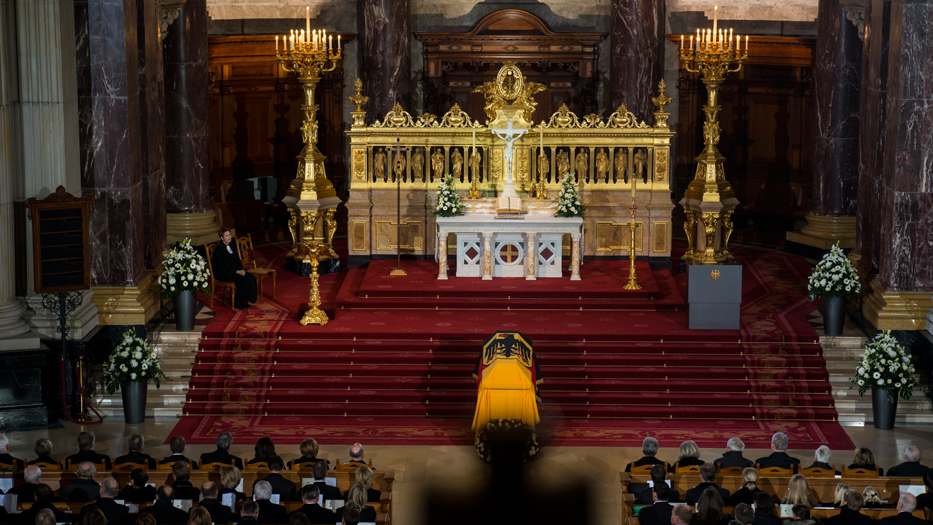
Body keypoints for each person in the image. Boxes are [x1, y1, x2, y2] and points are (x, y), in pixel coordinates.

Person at [213, 228, 258, 310]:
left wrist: (241, 270)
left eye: (229, 235)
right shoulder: (220, 249)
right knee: (242, 279)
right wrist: (237, 271)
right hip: (224, 273)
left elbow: (237, 260)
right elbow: (223, 265)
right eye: (226, 236)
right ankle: (238, 302)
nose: (229, 237)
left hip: (234, 271)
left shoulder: (231, 246)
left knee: (250, 277)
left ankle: (247, 300)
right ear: (222, 238)